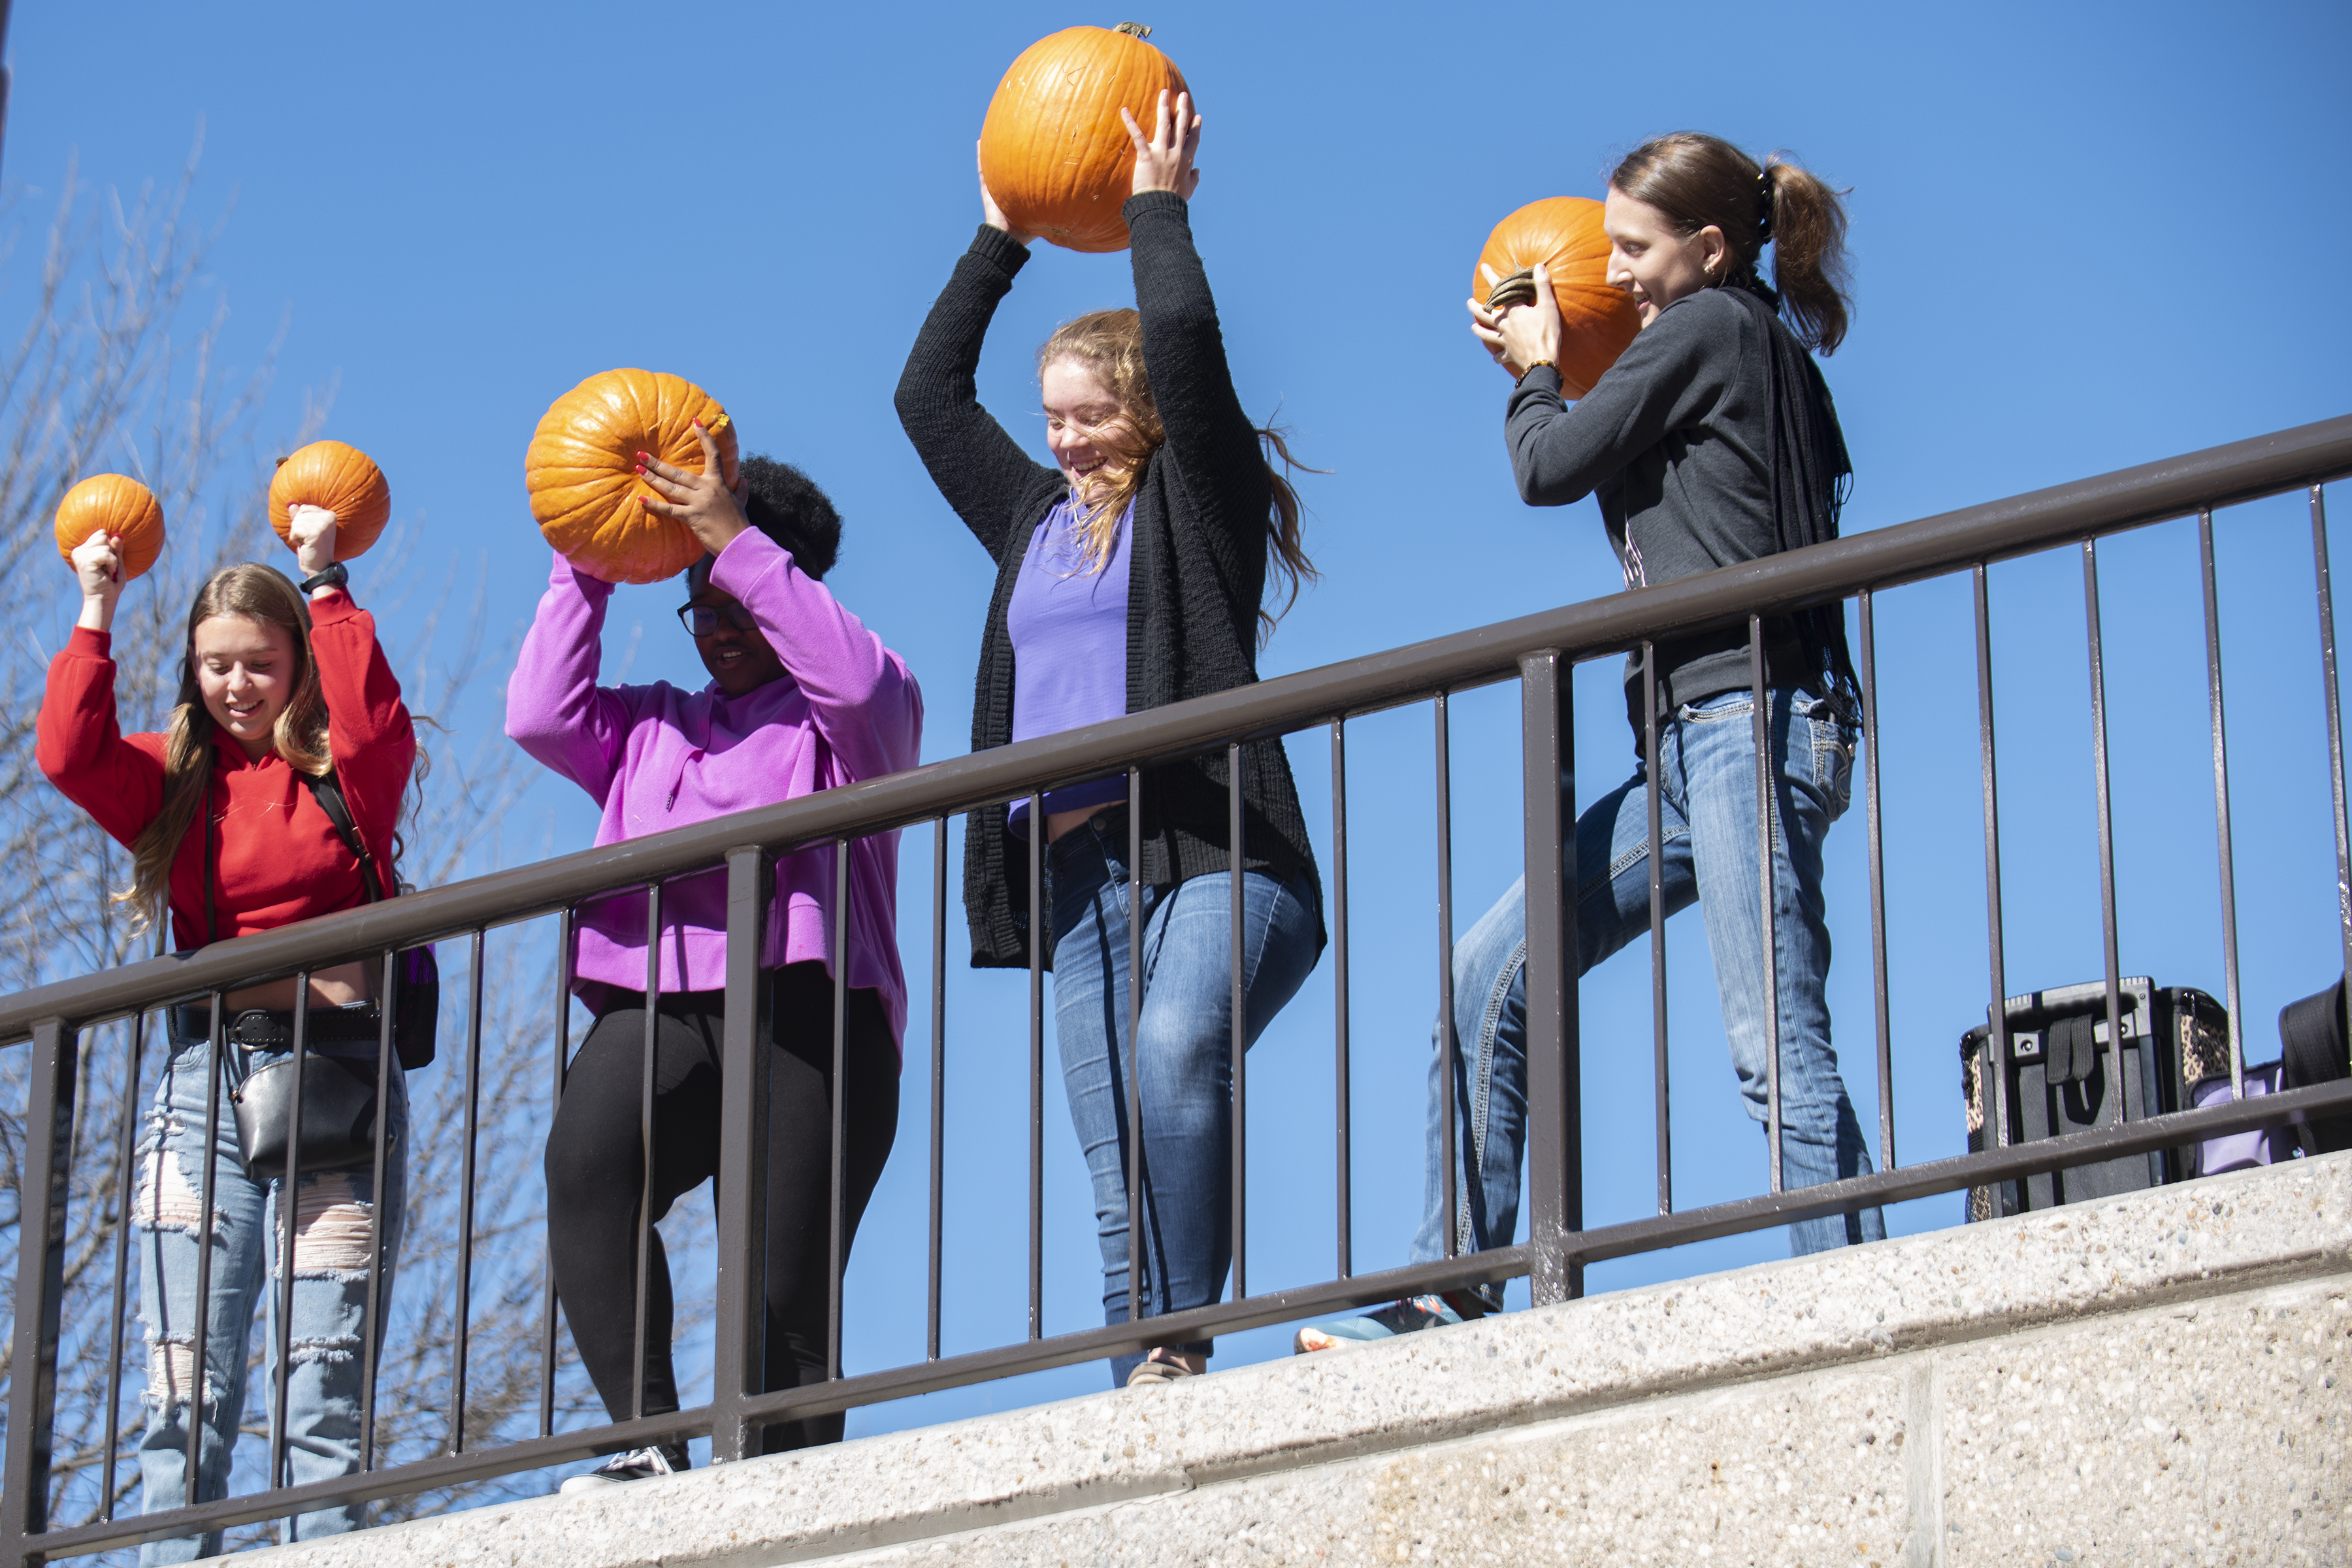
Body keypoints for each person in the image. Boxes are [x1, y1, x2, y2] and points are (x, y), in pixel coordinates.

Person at [1299, 131, 1882, 1354]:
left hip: (1746, 719)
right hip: (1692, 739)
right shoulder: (1731, 338)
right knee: (1490, 971)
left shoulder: (1711, 327)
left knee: (1769, 1035)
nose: (1609, 269)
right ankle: (1460, 1281)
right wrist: (1558, 367)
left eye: (1632, 246)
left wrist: (1533, 371)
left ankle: (1854, 1301)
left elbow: (1546, 464)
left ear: (1709, 249)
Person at [895, 91, 1324, 1387]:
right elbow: (925, 397)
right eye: (1053, 419)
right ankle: (1140, 1364)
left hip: (1211, 849)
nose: (1065, 441)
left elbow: (1187, 338)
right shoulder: (1030, 515)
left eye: (1088, 415)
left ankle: (1181, 1345)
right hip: (1075, 875)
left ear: (1142, 414)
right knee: (1109, 1145)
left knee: (1175, 1052)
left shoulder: (1200, 504)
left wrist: (1156, 209)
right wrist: (998, 233)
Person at [508, 431, 922, 1486]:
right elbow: (540, 715)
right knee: (587, 1166)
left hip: (810, 1004)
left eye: (741, 601)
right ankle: (645, 1443)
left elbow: (866, 695)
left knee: (777, 1290)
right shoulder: (655, 725)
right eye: (703, 605)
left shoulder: (854, 716)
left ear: (784, 588)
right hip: (659, 1004)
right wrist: (585, 559)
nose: (721, 629)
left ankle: (786, 1512)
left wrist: (732, 539)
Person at [39, 510, 416, 1559]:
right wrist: (98, 605)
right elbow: (70, 756)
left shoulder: (348, 771)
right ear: (192, 671)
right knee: (184, 1367)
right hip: (207, 1081)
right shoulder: (177, 776)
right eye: (216, 665)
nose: (237, 684)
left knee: (322, 1378)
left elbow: (379, 722)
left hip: (336, 1080)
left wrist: (324, 578)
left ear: (296, 664)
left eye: (260, 662)